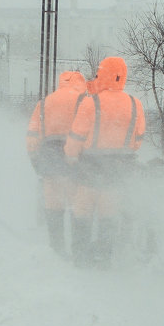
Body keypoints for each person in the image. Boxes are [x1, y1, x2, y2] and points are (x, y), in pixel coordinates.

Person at [64, 56, 146, 265]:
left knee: (82, 212)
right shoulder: (135, 105)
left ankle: (81, 257)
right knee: (108, 214)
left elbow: (76, 138)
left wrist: (71, 156)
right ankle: (103, 257)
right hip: (119, 170)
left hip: (89, 167)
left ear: (103, 74)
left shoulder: (91, 103)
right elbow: (137, 141)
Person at [25, 70, 87, 254]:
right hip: (74, 158)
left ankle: (57, 246)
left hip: (48, 157)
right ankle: (78, 246)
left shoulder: (44, 103)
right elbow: (88, 132)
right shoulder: (84, 102)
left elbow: (32, 136)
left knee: (53, 202)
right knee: (77, 203)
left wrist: (36, 161)